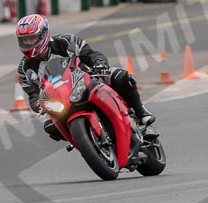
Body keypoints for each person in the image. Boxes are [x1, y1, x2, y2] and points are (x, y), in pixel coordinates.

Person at [15, 14, 155, 141]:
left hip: (89, 80)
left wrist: (100, 64)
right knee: (50, 126)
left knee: (120, 75)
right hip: (62, 100)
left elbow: (91, 55)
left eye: (31, 38)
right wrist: (39, 105)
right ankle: (83, 141)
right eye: (24, 40)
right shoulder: (24, 69)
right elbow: (33, 95)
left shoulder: (67, 41)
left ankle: (141, 113)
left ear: (44, 35)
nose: (28, 43)